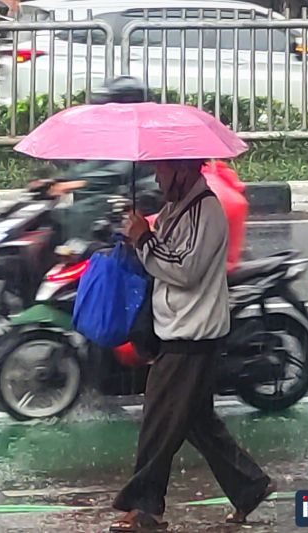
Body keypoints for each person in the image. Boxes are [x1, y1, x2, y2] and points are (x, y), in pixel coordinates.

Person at [110, 159, 273, 532]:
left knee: (158, 422)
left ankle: (146, 509)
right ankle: (250, 486)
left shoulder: (206, 210)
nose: (156, 178)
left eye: (162, 172)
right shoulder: (176, 210)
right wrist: (139, 237)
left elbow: (184, 270)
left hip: (192, 333)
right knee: (197, 423)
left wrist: (144, 240)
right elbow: (162, 260)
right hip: (177, 327)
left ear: (183, 170)